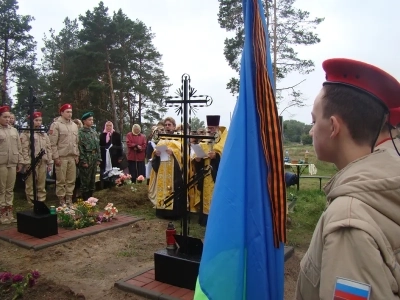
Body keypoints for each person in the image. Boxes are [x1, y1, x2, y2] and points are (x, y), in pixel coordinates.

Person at [295, 58, 400, 300]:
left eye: (314, 121)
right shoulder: (384, 186)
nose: (311, 131)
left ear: (333, 127)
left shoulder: (348, 220)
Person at [192, 115, 227, 226]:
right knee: (205, 195)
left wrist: (216, 156)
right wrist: (197, 159)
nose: (210, 130)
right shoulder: (205, 140)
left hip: (217, 174)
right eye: (208, 128)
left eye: (212, 128)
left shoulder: (223, 140)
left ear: (217, 127)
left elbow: (227, 155)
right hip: (205, 174)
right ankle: (205, 219)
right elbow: (197, 153)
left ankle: (217, 220)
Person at [148, 117, 184, 219]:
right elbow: (154, 154)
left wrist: (173, 152)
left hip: (174, 170)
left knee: (173, 189)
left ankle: (174, 213)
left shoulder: (179, 138)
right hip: (162, 170)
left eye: (169, 125)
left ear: (173, 126)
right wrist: (156, 153)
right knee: (162, 189)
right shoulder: (162, 139)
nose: (167, 127)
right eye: (166, 125)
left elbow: (184, 154)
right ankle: (162, 212)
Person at [49, 103, 79, 206]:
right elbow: (52, 143)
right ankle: (61, 199)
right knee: (61, 180)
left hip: (71, 156)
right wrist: (56, 157)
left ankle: (69, 199)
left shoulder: (74, 126)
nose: (70, 114)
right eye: (67, 112)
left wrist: (76, 155)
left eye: (71, 112)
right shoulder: (56, 125)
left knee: (71, 180)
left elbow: (76, 142)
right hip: (61, 157)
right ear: (62, 113)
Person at [20, 111, 53, 204]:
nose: (38, 122)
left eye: (40, 120)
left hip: (42, 161)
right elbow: (24, 149)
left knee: (41, 182)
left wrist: (50, 161)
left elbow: (48, 148)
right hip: (31, 162)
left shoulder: (43, 133)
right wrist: (27, 162)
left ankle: (41, 200)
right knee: (30, 183)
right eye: (36, 120)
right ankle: (32, 201)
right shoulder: (26, 133)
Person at [0, 106, 22, 224]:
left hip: (12, 162)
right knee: (1, 189)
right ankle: (2, 213)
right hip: (1, 163)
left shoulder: (13, 130)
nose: (8, 119)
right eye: (5, 117)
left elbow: (19, 147)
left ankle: (9, 212)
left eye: (9, 117)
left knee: (10, 189)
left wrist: (19, 161)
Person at [78, 112, 101, 200]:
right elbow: (80, 147)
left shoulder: (94, 132)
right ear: (84, 121)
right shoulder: (80, 133)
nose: (91, 121)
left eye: (92, 120)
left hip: (94, 157)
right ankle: (85, 199)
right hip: (86, 157)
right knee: (85, 180)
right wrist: (83, 160)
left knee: (92, 179)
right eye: (89, 120)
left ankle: (91, 198)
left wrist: (99, 158)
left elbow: (97, 146)